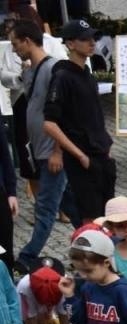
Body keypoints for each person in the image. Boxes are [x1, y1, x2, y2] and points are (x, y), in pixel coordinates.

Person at [43, 20, 115, 229]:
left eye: (93, 38)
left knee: (106, 214)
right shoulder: (62, 77)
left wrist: (106, 145)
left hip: (101, 153)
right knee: (90, 218)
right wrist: (79, 155)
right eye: (85, 39)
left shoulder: (87, 75)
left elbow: (93, 116)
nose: (92, 43)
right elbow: (50, 124)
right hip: (83, 158)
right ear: (71, 44)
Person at [10, 18, 64, 270]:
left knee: (45, 207)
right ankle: (91, 242)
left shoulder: (52, 69)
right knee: (70, 204)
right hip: (40, 150)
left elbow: (62, 115)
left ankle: (27, 256)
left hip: (50, 152)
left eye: (15, 43)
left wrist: (57, 151)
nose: (13, 49)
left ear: (28, 41)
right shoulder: (34, 69)